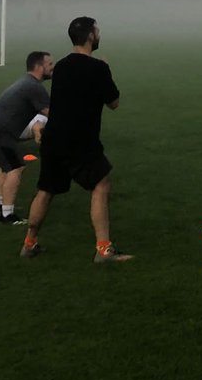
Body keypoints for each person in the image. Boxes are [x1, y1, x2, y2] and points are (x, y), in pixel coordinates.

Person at [20, 17, 132, 262]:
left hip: (53, 138)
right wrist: (106, 70)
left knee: (46, 190)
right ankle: (104, 250)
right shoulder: (98, 68)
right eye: (97, 30)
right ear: (91, 36)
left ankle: (29, 244)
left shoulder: (60, 66)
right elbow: (113, 103)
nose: (99, 34)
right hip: (80, 140)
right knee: (101, 185)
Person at [0, 51, 53, 225]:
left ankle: (0, 203)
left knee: (5, 166)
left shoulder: (25, 82)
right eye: (50, 65)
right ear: (39, 67)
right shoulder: (34, 87)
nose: (52, 68)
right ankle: (7, 216)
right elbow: (51, 113)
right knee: (16, 167)